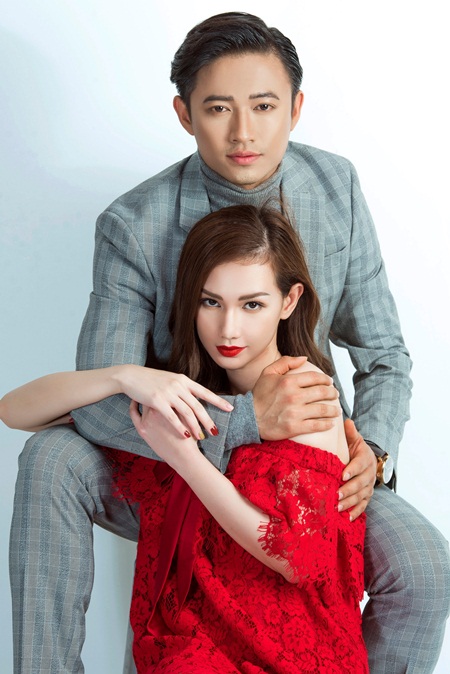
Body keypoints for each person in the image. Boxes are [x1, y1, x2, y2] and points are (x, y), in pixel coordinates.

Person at [7, 11, 449, 674]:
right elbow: (99, 404)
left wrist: (375, 451)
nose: (244, 132)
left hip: (306, 464)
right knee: (52, 456)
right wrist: (244, 422)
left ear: (296, 108)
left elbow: (385, 354)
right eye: (218, 108)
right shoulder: (135, 223)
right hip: (172, 454)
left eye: (264, 106)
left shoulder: (336, 187)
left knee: (422, 563)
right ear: (185, 114)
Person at [2, 204, 369, 673]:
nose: (228, 328)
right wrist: (123, 375)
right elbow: (14, 410)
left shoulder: (303, 392)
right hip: (197, 636)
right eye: (210, 302)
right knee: (48, 453)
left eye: (252, 305)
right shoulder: (184, 392)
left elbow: (298, 558)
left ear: (289, 301)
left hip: (290, 648)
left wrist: (185, 458)